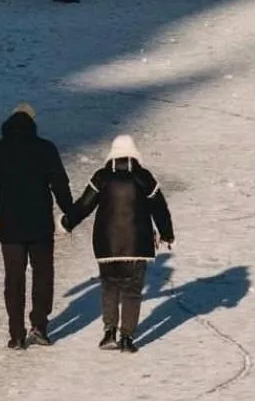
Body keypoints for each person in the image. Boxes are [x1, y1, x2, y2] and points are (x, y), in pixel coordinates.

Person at [62, 134, 175, 354]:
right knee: (132, 291)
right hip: (138, 246)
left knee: (110, 287)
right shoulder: (144, 178)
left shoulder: (102, 177)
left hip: (107, 246)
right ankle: (127, 337)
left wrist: (67, 222)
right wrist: (167, 234)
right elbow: (160, 208)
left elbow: (85, 204)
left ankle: (109, 333)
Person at [0, 103, 74, 349]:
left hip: (10, 227)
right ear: (33, 124)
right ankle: (40, 325)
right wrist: (69, 212)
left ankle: (16, 334)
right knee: (43, 275)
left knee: (14, 279)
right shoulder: (45, 149)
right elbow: (59, 184)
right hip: (40, 224)